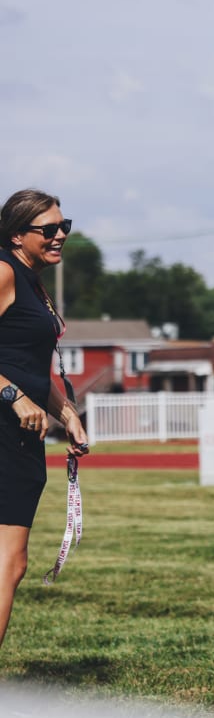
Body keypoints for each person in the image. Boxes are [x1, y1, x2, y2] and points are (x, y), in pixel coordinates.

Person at [1, 190, 90, 663]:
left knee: (9, 566)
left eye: (64, 226)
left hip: (21, 435)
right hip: (4, 429)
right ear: (17, 235)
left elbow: (29, 364)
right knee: (8, 564)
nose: (60, 236)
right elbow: (15, 378)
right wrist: (13, 397)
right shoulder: (3, 272)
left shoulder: (33, 282)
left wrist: (67, 413)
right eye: (48, 229)